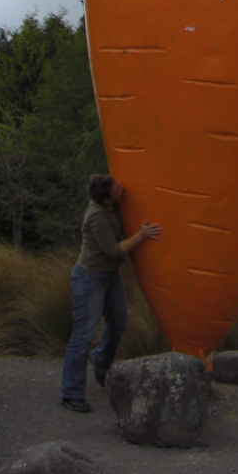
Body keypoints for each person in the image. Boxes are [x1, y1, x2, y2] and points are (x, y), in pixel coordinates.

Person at [60, 173, 161, 412]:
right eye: (116, 188)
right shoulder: (96, 216)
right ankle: (71, 393)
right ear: (106, 198)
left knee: (119, 322)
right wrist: (141, 235)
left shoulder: (112, 203)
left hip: (109, 275)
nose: (121, 188)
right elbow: (114, 250)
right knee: (83, 334)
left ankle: (100, 360)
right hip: (90, 278)